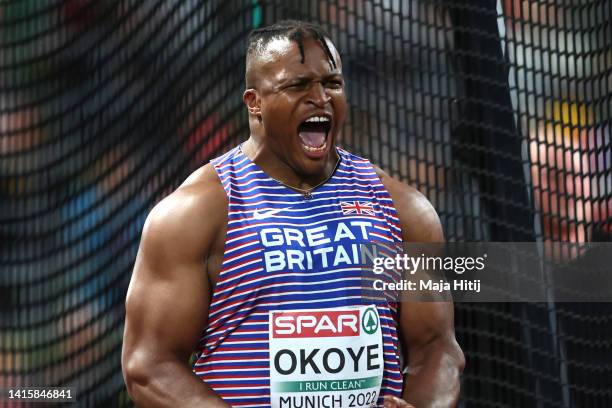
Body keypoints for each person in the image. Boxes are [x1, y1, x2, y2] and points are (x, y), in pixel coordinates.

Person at [122, 20, 464, 408]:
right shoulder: (197, 212)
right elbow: (148, 365)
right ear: (254, 103)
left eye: (332, 83)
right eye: (297, 85)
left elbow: (438, 347)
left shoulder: (402, 208)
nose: (320, 98)